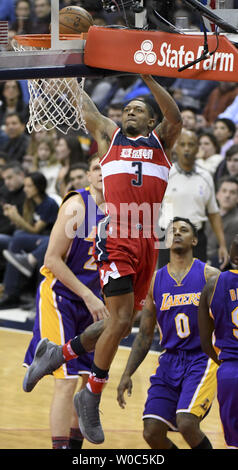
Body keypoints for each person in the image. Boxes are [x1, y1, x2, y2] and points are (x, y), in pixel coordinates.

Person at [23, 74, 183, 445]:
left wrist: (145, 74)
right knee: (122, 320)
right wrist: (63, 72)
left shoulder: (162, 142)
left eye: (138, 109)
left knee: (119, 324)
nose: (130, 111)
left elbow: (174, 116)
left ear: (149, 121)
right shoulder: (110, 137)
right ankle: (91, 394)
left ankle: (57, 354)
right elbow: (84, 103)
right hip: (117, 234)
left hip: (147, 239)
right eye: (127, 108)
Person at [23, 154, 108, 449]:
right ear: (88, 175)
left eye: (107, 168)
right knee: (66, 378)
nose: (102, 172)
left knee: (88, 381)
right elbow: (51, 259)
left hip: (93, 303)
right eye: (97, 168)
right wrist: (87, 295)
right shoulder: (77, 206)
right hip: (61, 297)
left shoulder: (123, 213)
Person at [117, 217, 219, 449]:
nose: (178, 233)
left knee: (186, 422)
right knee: (151, 431)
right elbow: (144, 335)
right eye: (172, 230)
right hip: (170, 359)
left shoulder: (210, 276)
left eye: (184, 230)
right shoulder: (155, 281)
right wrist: (127, 373)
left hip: (202, 359)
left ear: (194, 240)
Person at [158, 129, 229, 268]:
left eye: (191, 145)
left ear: (197, 148)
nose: (186, 149)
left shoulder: (206, 176)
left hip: (196, 239)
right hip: (169, 236)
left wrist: (222, 245)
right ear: (176, 148)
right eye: (182, 144)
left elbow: (214, 213)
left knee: (198, 285)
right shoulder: (165, 174)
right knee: (166, 285)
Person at [198, 234, 238, 448]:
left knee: (233, 443)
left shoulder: (213, 284)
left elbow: (205, 343)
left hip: (230, 371)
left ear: (233, 256)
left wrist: (223, 364)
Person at [0, 171, 59, 309]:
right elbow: (28, 228)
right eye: (25, 186)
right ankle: (11, 294)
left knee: (19, 237)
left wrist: (16, 218)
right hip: (35, 240)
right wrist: (15, 219)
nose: (25, 189)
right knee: (17, 238)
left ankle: (27, 292)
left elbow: (35, 230)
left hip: (49, 239)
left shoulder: (48, 203)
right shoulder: (29, 202)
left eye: (29, 186)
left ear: (38, 187)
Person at [206, 176, 238, 269]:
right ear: (217, 194)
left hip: (224, 266)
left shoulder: (236, 221)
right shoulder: (207, 216)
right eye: (224, 191)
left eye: (232, 192)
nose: (227, 195)